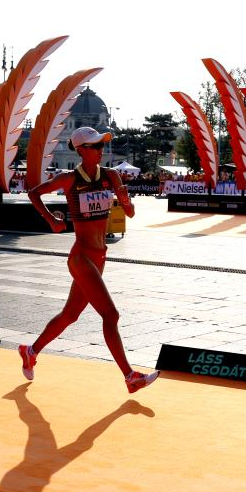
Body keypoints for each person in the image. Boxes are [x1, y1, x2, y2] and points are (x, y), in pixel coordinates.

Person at [19, 127, 159, 393]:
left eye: (101, 145)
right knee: (111, 314)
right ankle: (130, 376)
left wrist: (126, 201)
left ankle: (31, 351)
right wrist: (51, 219)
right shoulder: (69, 179)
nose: (100, 150)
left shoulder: (111, 175)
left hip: (100, 256)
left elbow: (129, 213)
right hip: (81, 257)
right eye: (95, 146)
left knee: (70, 315)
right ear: (81, 150)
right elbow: (34, 193)